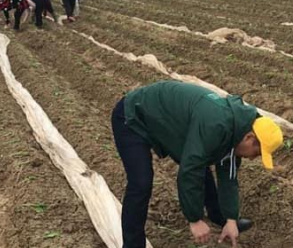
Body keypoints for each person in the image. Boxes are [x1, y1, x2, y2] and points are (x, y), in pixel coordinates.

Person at [111, 80, 283, 248]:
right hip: (133, 116)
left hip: (167, 121)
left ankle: (219, 216)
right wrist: (195, 219)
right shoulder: (216, 125)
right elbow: (189, 169)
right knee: (141, 182)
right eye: (257, 153)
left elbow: (229, 178)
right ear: (249, 138)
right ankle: (132, 244)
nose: (253, 158)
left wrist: (231, 219)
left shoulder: (238, 129)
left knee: (202, 159)